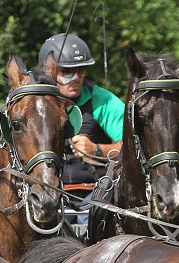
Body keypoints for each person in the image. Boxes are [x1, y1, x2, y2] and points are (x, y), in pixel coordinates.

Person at [38, 34, 124, 210]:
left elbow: (133, 148)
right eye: (67, 72)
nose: (76, 78)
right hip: (47, 193)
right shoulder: (34, 104)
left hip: (97, 193)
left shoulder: (104, 100)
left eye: (81, 70)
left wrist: (97, 150)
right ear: (49, 71)